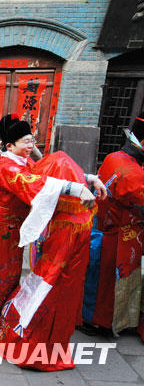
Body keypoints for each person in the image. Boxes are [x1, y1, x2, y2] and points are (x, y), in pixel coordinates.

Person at [0, 114, 99, 331]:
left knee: (8, 272)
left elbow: (48, 172)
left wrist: (87, 178)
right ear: (10, 146)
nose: (31, 145)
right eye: (26, 141)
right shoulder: (6, 167)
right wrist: (76, 189)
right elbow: (35, 183)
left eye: (32, 140)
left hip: (12, 230)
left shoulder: (23, 161)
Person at [0, 151, 102, 371]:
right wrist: (88, 180)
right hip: (60, 268)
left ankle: (33, 352)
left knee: (41, 298)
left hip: (57, 269)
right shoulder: (77, 211)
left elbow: (47, 181)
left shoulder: (68, 218)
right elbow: (47, 180)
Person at [81, 114, 144, 337]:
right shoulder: (134, 174)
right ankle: (104, 322)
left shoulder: (113, 157)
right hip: (122, 236)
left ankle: (90, 318)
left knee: (96, 280)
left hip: (102, 225)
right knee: (110, 284)